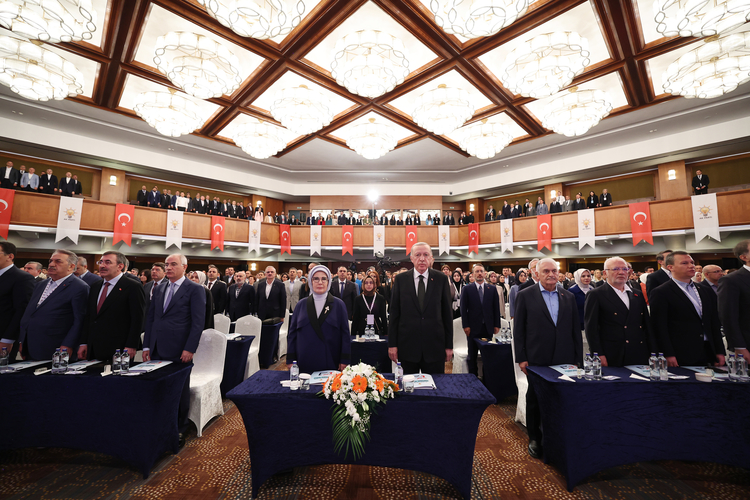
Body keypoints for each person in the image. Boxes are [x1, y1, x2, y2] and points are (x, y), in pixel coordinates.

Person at [513, 258, 581, 460]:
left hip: (564, 356)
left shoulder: (568, 296)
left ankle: (559, 434)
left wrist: (577, 358)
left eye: (554, 271)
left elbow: (574, 330)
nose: (551, 274)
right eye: (546, 271)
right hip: (536, 356)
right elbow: (519, 330)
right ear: (537, 274)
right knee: (535, 398)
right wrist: (522, 358)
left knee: (562, 397)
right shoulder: (525, 295)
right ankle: (535, 437)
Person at [650, 251, 724, 367]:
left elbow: (713, 322)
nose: (691, 266)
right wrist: (667, 353)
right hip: (681, 351)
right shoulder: (661, 292)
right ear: (670, 267)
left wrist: (719, 350)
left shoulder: (704, 289)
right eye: (684, 263)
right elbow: (660, 326)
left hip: (709, 349)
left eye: (692, 262)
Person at [388, 242, 453, 374]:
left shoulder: (441, 279)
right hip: (407, 347)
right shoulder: (401, 280)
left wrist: (449, 346)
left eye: (426, 255)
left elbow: (447, 314)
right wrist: (392, 344)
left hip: (435, 347)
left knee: (436, 385)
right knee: (408, 385)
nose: (422, 259)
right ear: (411, 258)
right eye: (418, 255)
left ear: (431, 258)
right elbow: (394, 314)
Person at [19, 249, 89, 361]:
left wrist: (68, 344)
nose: (51, 264)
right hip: (31, 344)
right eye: (51, 261)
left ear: (71, 266)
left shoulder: (79, 287)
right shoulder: (41, 284)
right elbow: (30, 312)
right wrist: (22, 340)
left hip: (57, 346)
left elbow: (79, 320)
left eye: (58, 261)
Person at [77, 251, 146, 362]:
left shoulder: (133, 286)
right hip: (94, 346)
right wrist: (84, 342)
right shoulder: (95, 286)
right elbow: (89, 316)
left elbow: (137, 319)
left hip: (120, 347)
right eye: (101, 262)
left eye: (108, 262)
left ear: (120, 266)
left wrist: (131, 345)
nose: (102, 265)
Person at [583, 257, 652, 367]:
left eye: (624, 269)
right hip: (613, 353)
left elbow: (646, 325)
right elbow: (591, 328)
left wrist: (652, 351)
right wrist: (598, 354)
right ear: (605, 273)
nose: (621, 272)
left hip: (638, 351)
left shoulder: (637, 294)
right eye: (615, 269)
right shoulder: (596, 294)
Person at [286, 265, 350, 373]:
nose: (320, 282)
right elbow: (292, 334)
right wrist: (290, 359)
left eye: (324, 279)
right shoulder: (301, 304)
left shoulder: (338, 304)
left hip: (330, 359)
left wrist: (344, 360)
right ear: (310, 281)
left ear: (328, 282)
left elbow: (345, 334)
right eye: (316, 278)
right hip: (304, 360)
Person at [460, 264, 501, 376]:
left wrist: (497, 324)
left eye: (481, 271)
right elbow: (463, 309)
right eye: (477, 271)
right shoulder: (467, 289)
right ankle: (473, 379)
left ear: (484, 273)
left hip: (488, 327)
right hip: (472, 328)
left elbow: (496, 308)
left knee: (487, 356)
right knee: (472, 356)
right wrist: (465, 326)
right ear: (473, 274)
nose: (479, 273)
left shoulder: (492, 289)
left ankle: (487, 379)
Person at [0, 242, 35, 363]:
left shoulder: (22, 277)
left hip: (4, 335)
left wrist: (8, 339)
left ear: (10, 256)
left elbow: (22, 310)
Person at [718, 240, 750, 363]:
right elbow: (728, 316)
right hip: (747, 341)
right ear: (744, 257)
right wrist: (739, 346)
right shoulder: (731, 280)